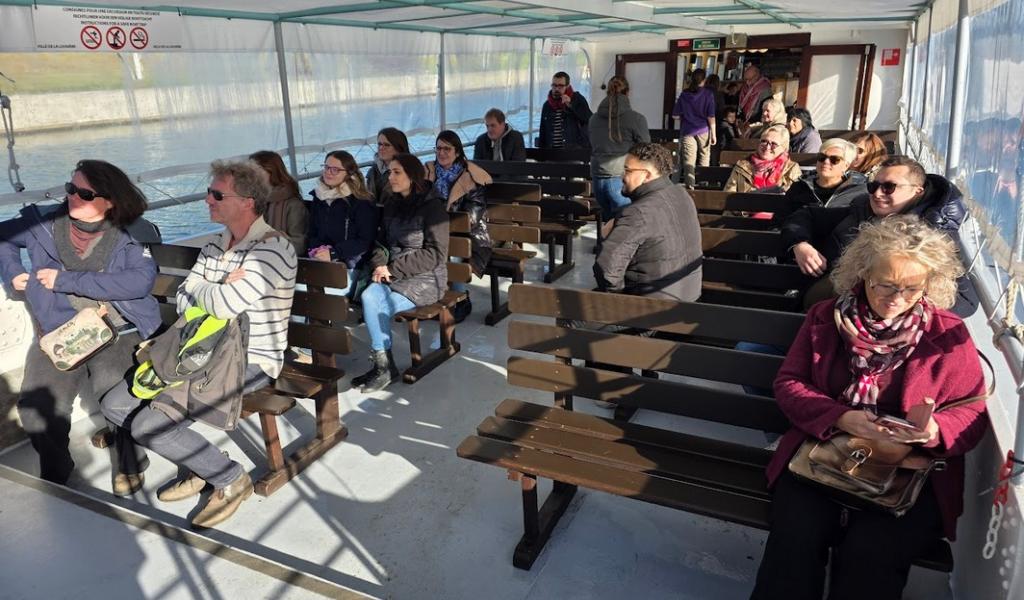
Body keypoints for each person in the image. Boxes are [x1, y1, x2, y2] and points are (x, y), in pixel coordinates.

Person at [751, 215, 987, 600]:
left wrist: (933, 431)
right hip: (824, 451)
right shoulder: (826, 317)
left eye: (911, 288)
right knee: (795, 536)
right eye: (885, 284)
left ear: (929, 284)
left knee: (872, 551)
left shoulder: (947, 333)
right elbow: (790, 383)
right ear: (863, 274)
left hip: (910, 470)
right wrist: (841, 417)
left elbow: (971, 413)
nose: (896, 298)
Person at [102, 159, 297, 529]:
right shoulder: (214, 245)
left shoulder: (273, 249)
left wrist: (206, 289)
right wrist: (217, 286)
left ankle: (230, 478)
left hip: (251, 361)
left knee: (148, 427)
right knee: (114, 405)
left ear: (247, 202)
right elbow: (184, 299)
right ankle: (199, 463)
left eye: (217, 195)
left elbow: (223, 304)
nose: (207, 199)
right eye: (210, 192)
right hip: (195, 351)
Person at [0, 159, 159, 491]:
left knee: (117, 394)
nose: (72, 196)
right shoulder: (42, 223)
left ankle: (131, 462)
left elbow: (138, 282)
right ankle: (57, 470)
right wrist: (13, 271)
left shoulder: (131, 231)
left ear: (110, 200)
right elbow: (4, 237)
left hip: (116, 328)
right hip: (58, 331)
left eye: (84, 193)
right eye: (70, 188)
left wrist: (65, 280)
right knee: (36, 408)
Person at [783, 156, 967, 281]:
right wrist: (800, 245)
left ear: (917, 191)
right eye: (873, 186)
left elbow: (964, 299)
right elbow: (806, 215)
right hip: (825, 302)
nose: (877, 194)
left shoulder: (934, 234)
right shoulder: (860, 211)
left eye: (889, 187)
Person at [354, 154, 448, 393]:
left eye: (397, 172)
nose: (390, 177)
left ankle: (384, 367)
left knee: (377, 303)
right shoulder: (392, 203)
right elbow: (381, 242)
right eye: (390, 172)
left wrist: (392, 269)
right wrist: (379, 264)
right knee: (369, 296)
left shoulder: (433, 207)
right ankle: (384, 365)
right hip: (393, 275)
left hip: (426, 279)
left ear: (412, 176)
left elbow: (436, 254)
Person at [594, 142, 703, 303]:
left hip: (650, 307)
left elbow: (606, 269)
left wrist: (617, 300)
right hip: (689, 297)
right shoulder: (682, 194)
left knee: (571, 309)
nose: (622, 177)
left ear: (646, 175)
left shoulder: (637, 213)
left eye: (627, 170)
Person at [425, 130, 492, 323]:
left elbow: (474, 212)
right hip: (434, 231)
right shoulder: (428, 174)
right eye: (438, 148)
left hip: (468, 235)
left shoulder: (470, 176)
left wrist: (447, 226)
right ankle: (431, 296)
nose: (442, 152)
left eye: (447, 149)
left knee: (455, 252)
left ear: (457, 152)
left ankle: (460, 300)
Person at [306, 150, 379, 296]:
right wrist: (317, 250)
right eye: (326, 167)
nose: (329, 172)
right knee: (296, 288)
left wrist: (334, 253)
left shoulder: (361, 202)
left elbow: (365, 241)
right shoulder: (319, 197)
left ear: (348, 173)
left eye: (335, 170)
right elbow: (312, 232)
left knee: (315, 294)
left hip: (351, 265)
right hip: (321, 261)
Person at [589, 75, 651, 219]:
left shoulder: (593, 119)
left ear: (607, 92)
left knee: (608, 223)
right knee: (626, 223)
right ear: (627, 92)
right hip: (622, 177)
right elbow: (646, 149)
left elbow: (593, 143)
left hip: (597, 177)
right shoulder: (636, 119)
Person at [248, 150, 308, 256]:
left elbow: (300, 246)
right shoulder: (250, 200)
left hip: (279, 259)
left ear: (271, 171)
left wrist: (275, 239)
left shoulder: (293, 205)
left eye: (255, 171)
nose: (250, 175)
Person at [784, 138, 868, 210]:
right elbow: (783, 217)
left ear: (846, 166)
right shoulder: (799, 187)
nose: (826, 162)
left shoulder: (856, 191)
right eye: (822, 157)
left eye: (834, 159)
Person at [724, 125, 802, 193]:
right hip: (744, 205)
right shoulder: (743, 166)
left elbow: (795, 197)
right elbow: (728, 194)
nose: (767, 147)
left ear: (784, 148)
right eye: (764, 141)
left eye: (774, 144)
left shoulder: (791, 168)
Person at [672, 69, 717, 189]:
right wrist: (714, 134)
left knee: (688, 160)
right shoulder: (708, 94)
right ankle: (703, 185)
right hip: (703, 130)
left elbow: (675, 115)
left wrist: (686, 116)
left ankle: (690, 186)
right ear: (704, 80)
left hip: (687, 131)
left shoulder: (684, 94)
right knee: (704, 157)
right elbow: (711, 116)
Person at [538, 71, 592, 149]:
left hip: (574, 151)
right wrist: (541, 152)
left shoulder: (577, 99)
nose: (556, 89)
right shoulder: (547, 105)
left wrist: (571, 105)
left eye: (560, 86)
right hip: (552, 151)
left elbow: (589, 119)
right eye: (554, 85)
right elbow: (543, 131)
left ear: (567, 86)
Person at [366, 127, 410, 204]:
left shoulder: (408, 171)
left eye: (387, 145)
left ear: (398, 148)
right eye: (379, 144)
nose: (381, 148)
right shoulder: (372, 171)